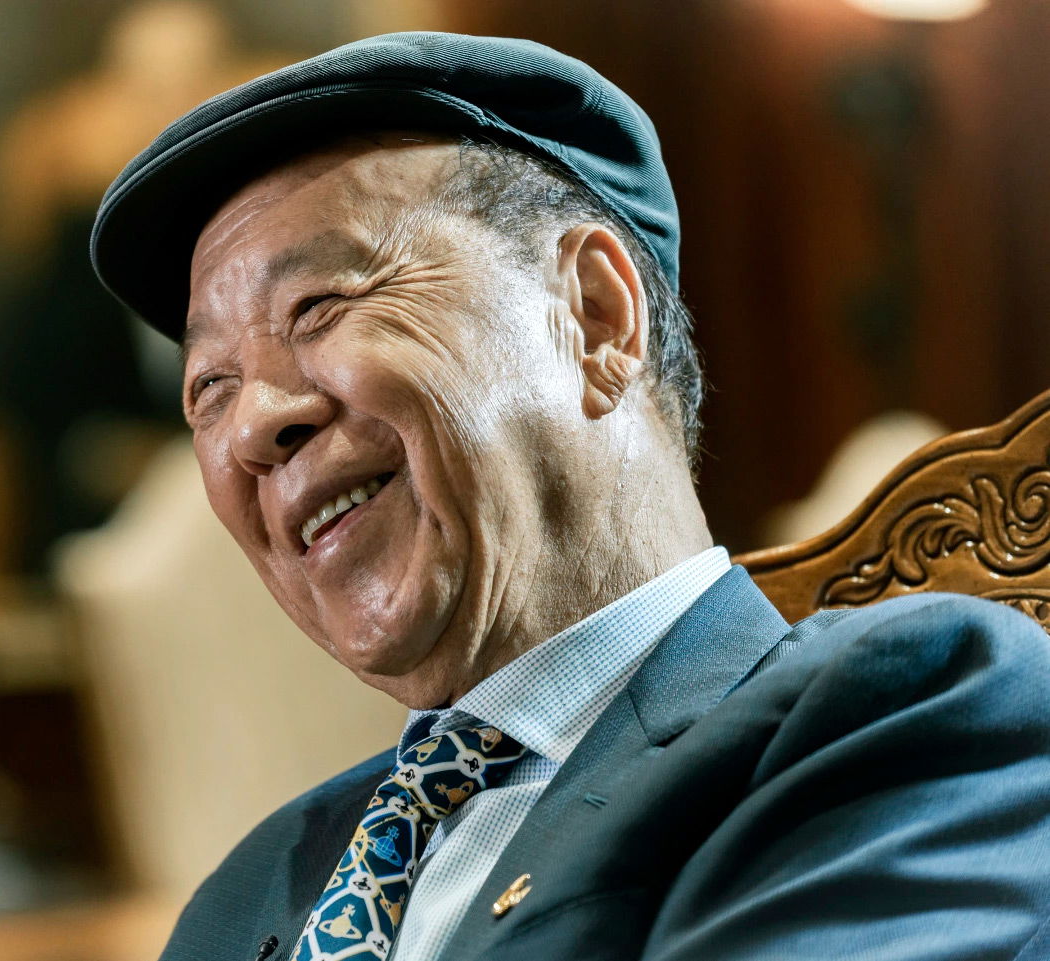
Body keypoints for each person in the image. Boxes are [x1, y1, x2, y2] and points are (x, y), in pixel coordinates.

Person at [87, 33, 1050, 961]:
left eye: (320, 306)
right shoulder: (253, 886)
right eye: (209, 388)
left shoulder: (900, 719)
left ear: (595, 314)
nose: (252, 425)